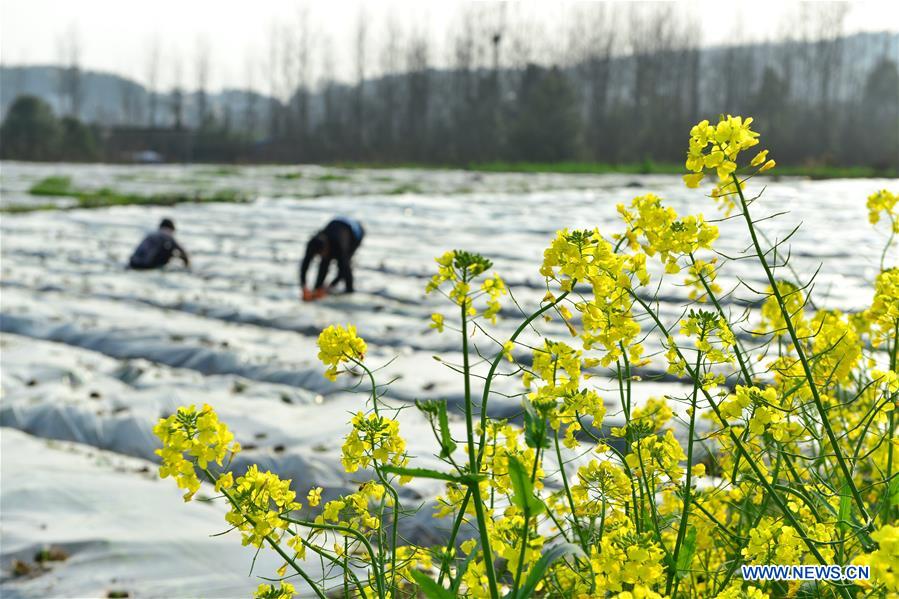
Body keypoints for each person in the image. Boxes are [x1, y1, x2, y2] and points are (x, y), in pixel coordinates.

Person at [300, 216, 365, 301]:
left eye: (322, 253)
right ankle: (317, 289)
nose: (321, 256)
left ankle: (350, 291)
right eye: (319, 255)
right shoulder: (313, 244)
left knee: (344, 265)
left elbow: (343, 270)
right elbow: (305, 265)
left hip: (355, 232)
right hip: (335, 226)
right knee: (324, 262)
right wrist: (304, 286)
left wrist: (329, 287)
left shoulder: (340, 245)